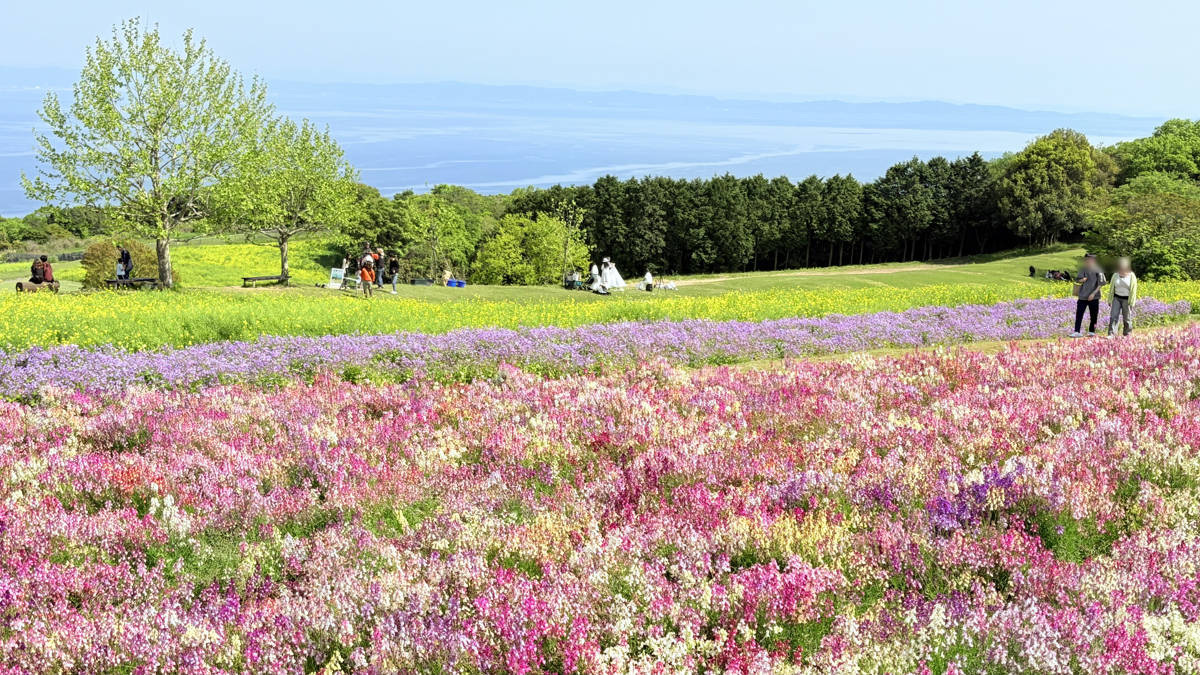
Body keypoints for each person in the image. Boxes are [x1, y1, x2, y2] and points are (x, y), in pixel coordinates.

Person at [1071, 254, 1106, 337]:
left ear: (1093, 261)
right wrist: (1082, 280)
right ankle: (1077, 331)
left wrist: (1093, 294)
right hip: (1082, 296)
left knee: (1093, 315)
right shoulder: (1083, 269)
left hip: (1094, 296)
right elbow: (1077, 280)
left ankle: (1092, 331)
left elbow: (1101, 283)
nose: (1086, 262)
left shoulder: (1098, 270)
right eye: (1086, 260)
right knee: (1079, 314)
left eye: (1088, 260)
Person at [1107, 257, 1138, 338]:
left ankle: (1127, 334)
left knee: (1127, 318)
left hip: (1127, 299)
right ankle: (1111, 334)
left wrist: (1132, 302)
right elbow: (1111, 288)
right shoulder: (1115, 275)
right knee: (1113, 316)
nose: (1122, 266)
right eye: (1121, 264)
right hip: (1116, 298)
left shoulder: (1131, 276)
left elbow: (1133, 290)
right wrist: (1110, 300)